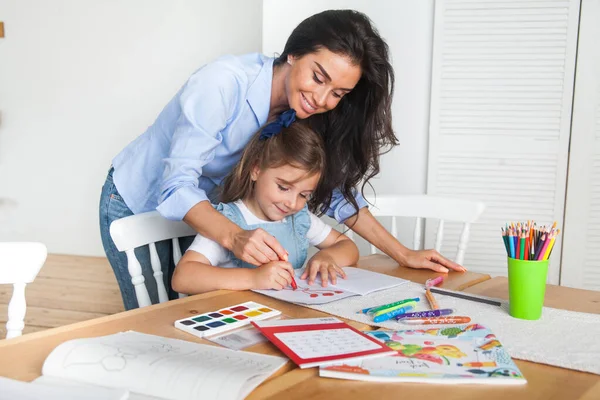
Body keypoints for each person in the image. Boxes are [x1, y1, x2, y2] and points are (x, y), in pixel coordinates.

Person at [99, 9, 464, 310]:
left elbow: (336, 197)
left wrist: (402, 253)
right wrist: (236, 237)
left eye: (338, 92)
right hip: (138, 201)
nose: (322, 99)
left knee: (198, 309)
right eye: (318, 77)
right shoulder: (222, 84)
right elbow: (176, 186)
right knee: (158, 316)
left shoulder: (303, 113)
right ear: (292, 53)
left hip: (206, 208)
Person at [172, 111, 359, 295]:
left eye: (304, 195)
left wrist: (327, 257)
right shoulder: (227, 222)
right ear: (256, 170)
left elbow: (347, 246)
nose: (292, 203)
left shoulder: (299, 219)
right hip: (239, 318)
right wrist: (254, 278)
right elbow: (183, 277)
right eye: (284, 188)